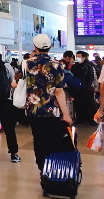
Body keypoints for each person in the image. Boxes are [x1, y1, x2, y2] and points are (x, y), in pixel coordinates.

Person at [24, 35, 74, 172]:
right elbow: (59, 92)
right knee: (53, 140)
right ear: (50, 46)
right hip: (52, 111)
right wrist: (66, 113)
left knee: (39, 140)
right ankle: (53, 170)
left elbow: (19, 83)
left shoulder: (27, 63)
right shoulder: (57, 65)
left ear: (35, 47)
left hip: (34, 110)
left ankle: (42, 169)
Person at [71, 51, 97, 125]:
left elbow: (91, 76)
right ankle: (80, 119)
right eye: (77, 56)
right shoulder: (75, 66)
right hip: (78, 88)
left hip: (87, 88)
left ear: (84, 57)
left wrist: (88, 86)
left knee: (90, 104)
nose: (78, 58)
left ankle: (92, 119)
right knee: (79, 104)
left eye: (80, 56)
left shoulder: (88, 66)